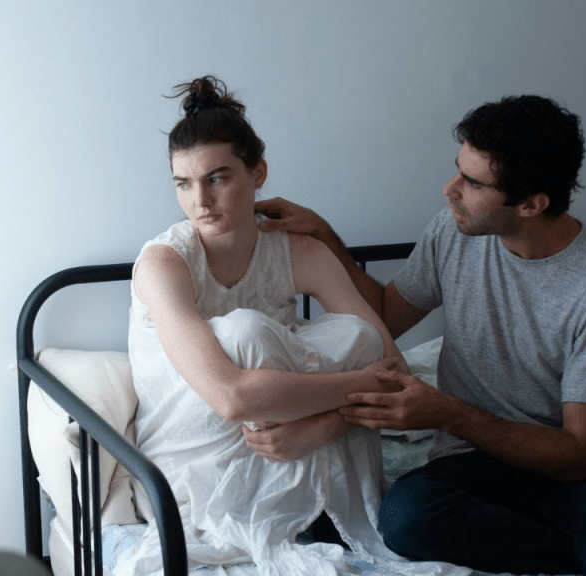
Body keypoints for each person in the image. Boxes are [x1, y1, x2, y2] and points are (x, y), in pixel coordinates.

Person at [251, 95, 586, 575]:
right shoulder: (454, 232)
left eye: (471, 183)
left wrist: (444, 411)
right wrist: (324, 236)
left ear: (532, 205)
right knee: (406, 519)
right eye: (458, 169)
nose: (449, 189)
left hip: (566, 469)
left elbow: (580, 454)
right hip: (468, 463)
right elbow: (383, 313)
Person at [123, 76, 454, 576]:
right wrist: (358, 388)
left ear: (258, 173)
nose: (200, 201)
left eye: (218, 177)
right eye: (183, 183)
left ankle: (312, 506)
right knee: (246, 333)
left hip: (285, 432)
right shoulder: (163, 263)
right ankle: (270, 510)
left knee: (357, 334)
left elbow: (393, 364)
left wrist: (325, 425)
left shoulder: (300, 252)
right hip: (193, 448)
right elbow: (232, 399)